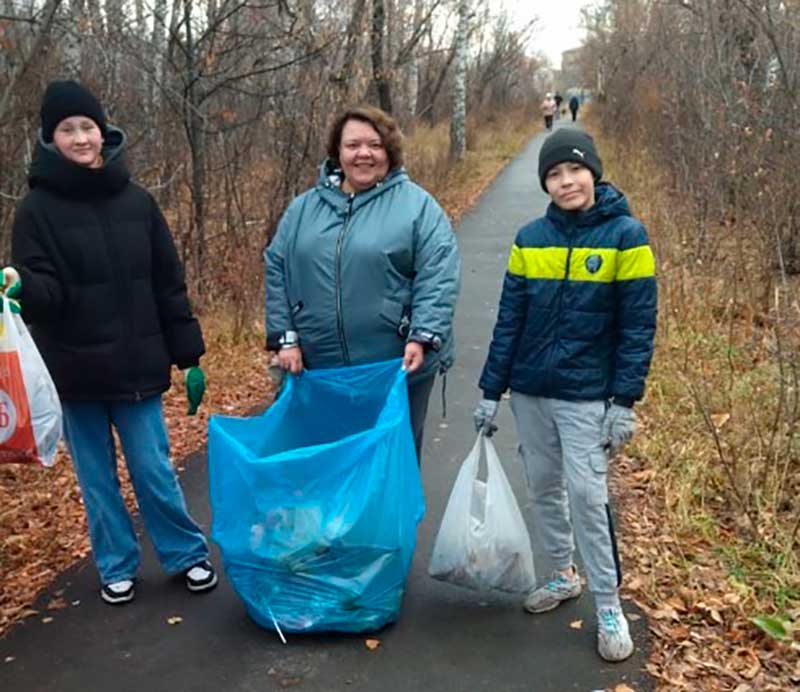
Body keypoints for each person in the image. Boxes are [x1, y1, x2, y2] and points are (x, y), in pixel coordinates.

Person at [2, 80, 217, 606]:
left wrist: (188, 355)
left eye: (87, 127)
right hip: (75, 374)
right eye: (67, 129)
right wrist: (22, 288)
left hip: (137, 367)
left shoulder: (138, 202)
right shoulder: (35, 211)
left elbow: (168, 281)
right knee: (97, 482)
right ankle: (116, 565)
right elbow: (45, 292)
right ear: (50, 140)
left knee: (154, 471)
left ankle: (186, 554)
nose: (80, 138)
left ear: (103, 133)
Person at [472, 128, 657, 662]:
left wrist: (624, 400)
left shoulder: (627, 236)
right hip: (531, 391)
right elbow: (509, 320)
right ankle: (561, 574)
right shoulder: (530, 239)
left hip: (586, 396)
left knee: (588, 496)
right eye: (554, 174)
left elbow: (638, 325)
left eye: (574, 170)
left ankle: (607, 602)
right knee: (544, 487)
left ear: (593, 172)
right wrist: (491, 391)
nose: (566, 181)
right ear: (545, 183)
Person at [265, 106, 460, 461]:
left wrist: (423, 335)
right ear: (338, 152)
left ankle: (391, 520)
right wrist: (285, 337)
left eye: (374, 144)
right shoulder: (303, 210)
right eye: (353, 145)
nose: (364, 153)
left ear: (390, 151)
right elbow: (277, 267)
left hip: (396, 368)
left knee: (390, 465)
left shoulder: (418, 207)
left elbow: (438, 273)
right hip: (320, 370)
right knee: (329, 465)